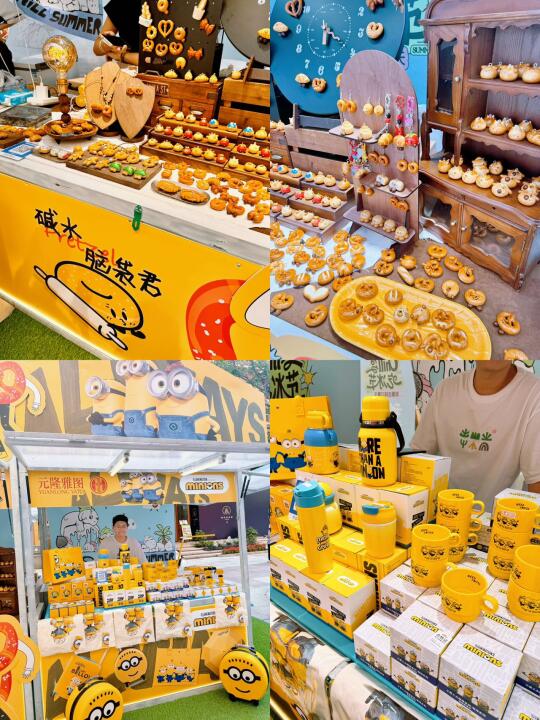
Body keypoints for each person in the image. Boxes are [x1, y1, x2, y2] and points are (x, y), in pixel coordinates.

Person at [411, 361, 540, 505]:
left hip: (499, 515)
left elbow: (536, 480)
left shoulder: (534, 394)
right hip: (443, 509)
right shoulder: (445, 389)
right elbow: (416, 458)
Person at [92, 0, 139, 66]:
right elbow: (96, 49)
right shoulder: (120, 3)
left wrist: (122, 56)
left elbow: (152, 61)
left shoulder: (155, 6)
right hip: (126, 69)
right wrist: (105, 45)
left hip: (150, 70)